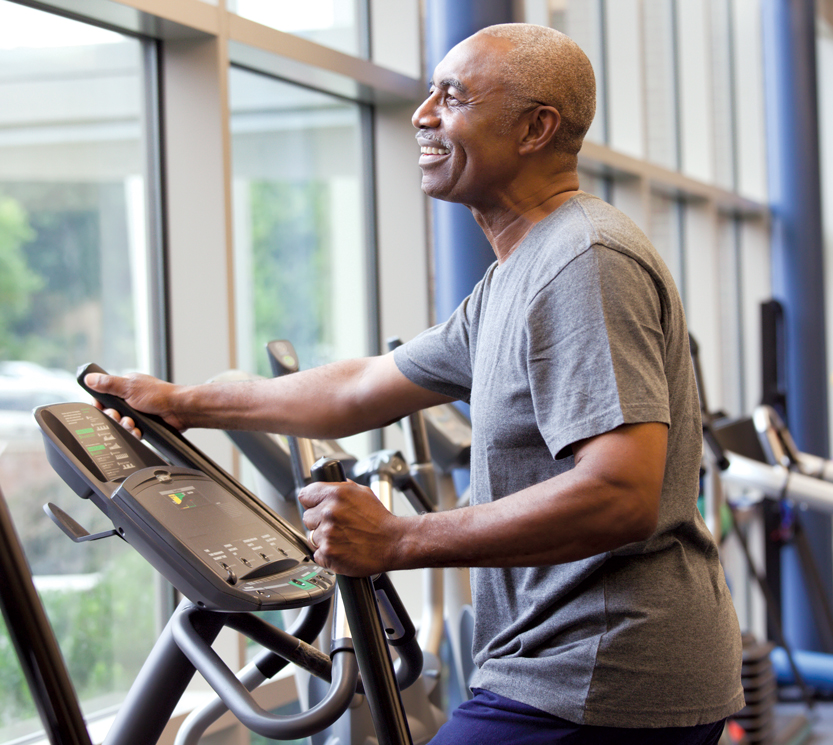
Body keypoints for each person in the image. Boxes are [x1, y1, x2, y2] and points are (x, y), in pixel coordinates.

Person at [87, 23, 743, 744]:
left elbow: (622, 493)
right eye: (428, 93)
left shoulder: (581, 261)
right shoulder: (519, 273)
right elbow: (359, 388)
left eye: (452, 96)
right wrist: (183, 403)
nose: (422, 114)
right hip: (579, 669)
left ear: (536, 127)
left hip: (599, 673)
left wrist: (398, 538)